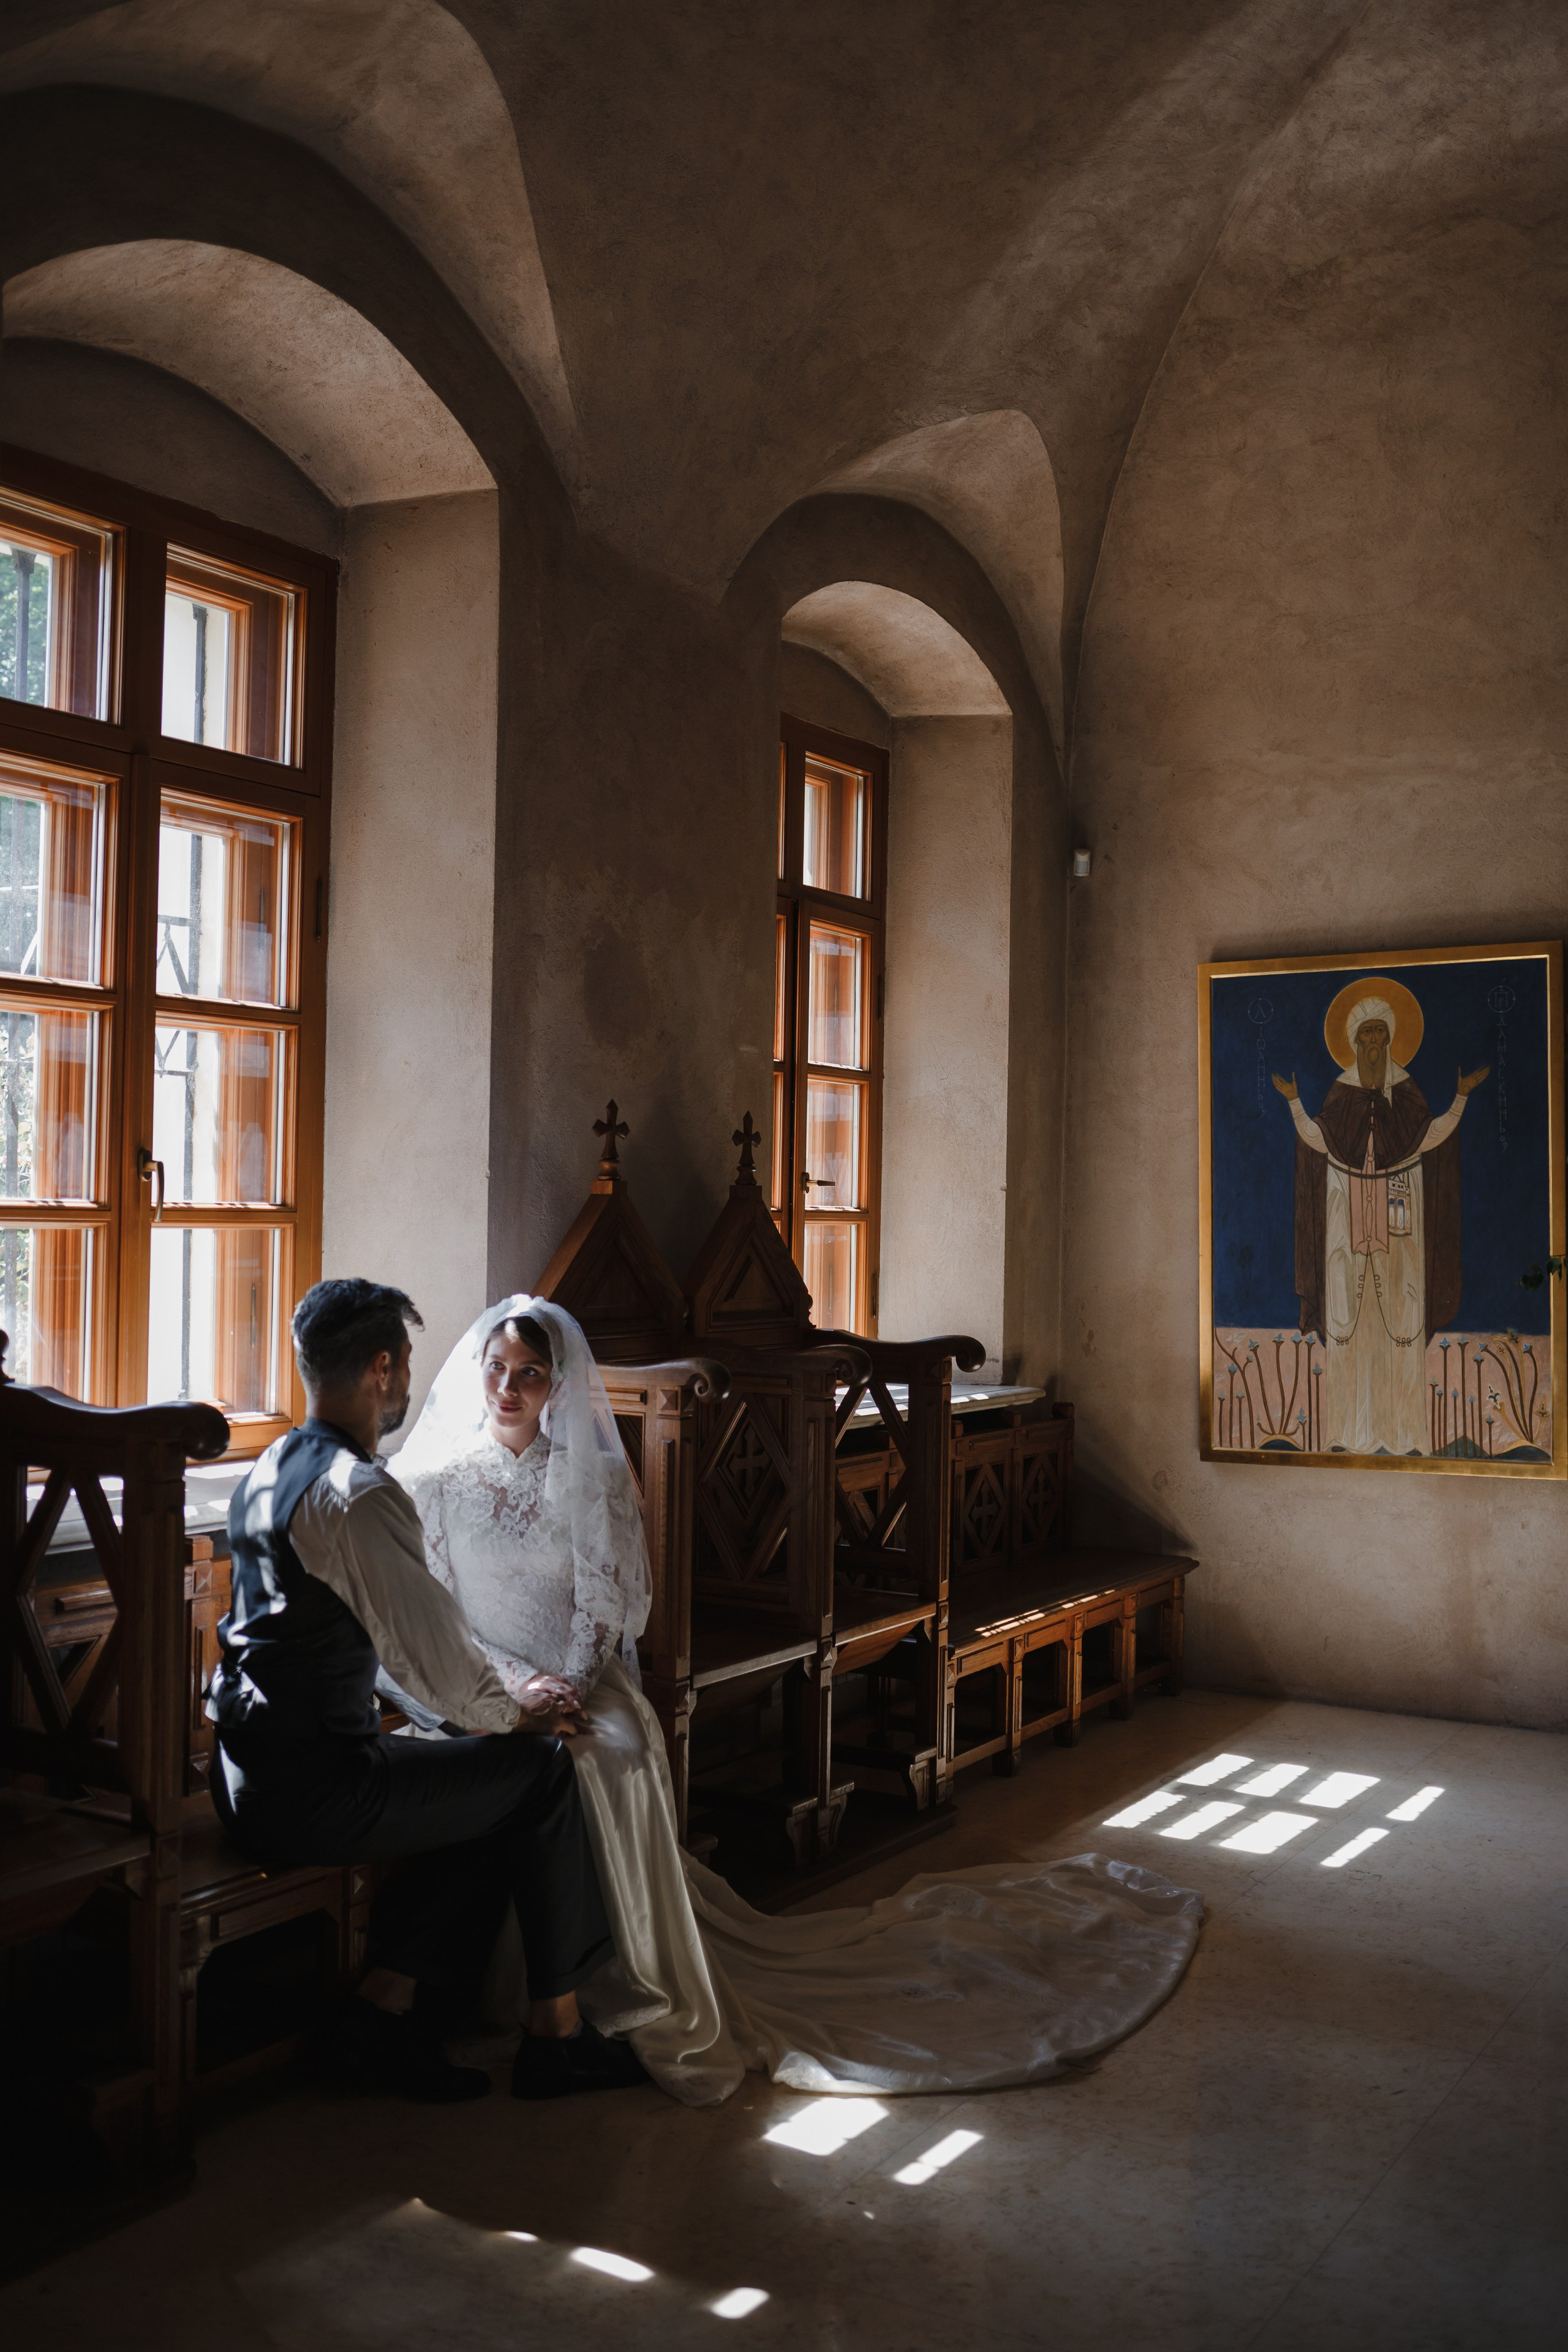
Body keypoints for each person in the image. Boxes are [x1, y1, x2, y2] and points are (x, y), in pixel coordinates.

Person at [391, 1295, 1205, 2107]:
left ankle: (606, 1987)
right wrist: (515, 1687)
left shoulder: (592, 1479)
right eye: (496, 1370)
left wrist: (565, 1685)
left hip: (581, 1684)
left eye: (529, 1375)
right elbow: (439, 1610)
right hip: (491, 1685)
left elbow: (604, 1605)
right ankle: (503, 1997)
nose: (507, 1388)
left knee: (611, 1756)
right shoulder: (434, 1479)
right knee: (508, 1763)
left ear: (557, 1385)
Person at [206, 1278, 647, 2105]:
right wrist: (526, 1711)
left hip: (241, 1771)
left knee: (488, 1776)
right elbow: (434, 1662)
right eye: (405, 1361)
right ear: (381, 1368)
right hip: (316, 1790)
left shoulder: (274, 1465)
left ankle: (387, 2009)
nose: (412, 1379)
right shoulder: (361, 1497)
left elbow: (391, 1661)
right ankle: (556, 2038)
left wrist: (490, 1718)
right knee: (538, 1772)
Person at [1273, 995, 1487, 1455]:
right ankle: (1347, 1435)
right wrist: (1294, 1103)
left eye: (1380, 1034)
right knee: (1350, 1329)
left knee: (1401, 1324)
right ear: (1353, 1043)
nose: (1373, 1042)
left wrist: (1460, 1099)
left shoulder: (1408, 1094)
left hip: (1399, 1233)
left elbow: (1428, 1137)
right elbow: (1320, 1139)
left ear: (1391, 1041)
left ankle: (1404, 1435)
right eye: (1365, 1034)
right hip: (1347, 1235)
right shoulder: (1340, 1094)